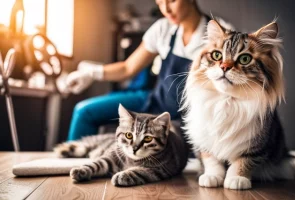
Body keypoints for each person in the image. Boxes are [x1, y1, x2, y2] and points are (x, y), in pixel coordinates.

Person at [66, 0, 209, 141]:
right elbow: (128, 68)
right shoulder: (163, 29)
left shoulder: (217, 34)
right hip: (155, 102)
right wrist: (92, 73)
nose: (166, 9)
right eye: (160, 3)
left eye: (171, 1)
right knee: (84, 112)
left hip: (191, 118)